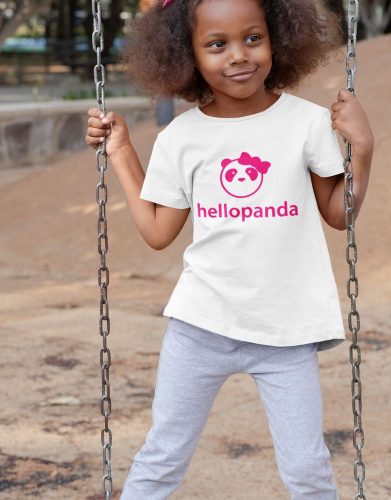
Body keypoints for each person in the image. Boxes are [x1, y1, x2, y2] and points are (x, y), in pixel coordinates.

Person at [85, 0, 374, 498]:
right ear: (187, 56)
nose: (238, 56)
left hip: (286, 332)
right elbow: (157, 231)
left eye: (252, 38)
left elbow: (338, 213)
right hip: (201, 325)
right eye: (217, 45)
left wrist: (362, 150)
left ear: (277, 40)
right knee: (163, 454)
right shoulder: (182, 138)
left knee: (307, 468)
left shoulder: (305, 123)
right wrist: (122, 153)